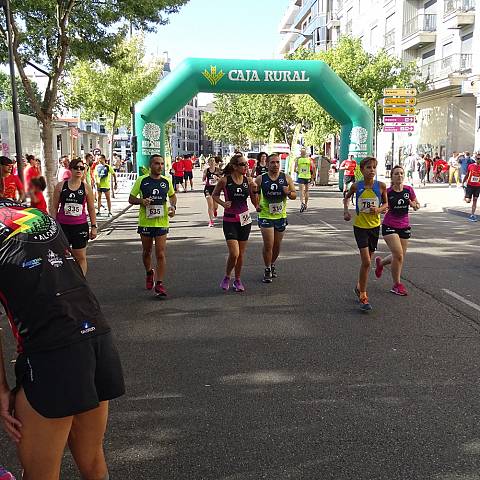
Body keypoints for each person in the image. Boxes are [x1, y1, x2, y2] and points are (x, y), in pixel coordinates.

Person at [0, 177, 125, 480]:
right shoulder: (36, 215)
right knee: (93, 460)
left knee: (40, 474)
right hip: (97, 335)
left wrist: (1, 390)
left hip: (52, 351)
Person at [343, 157, 388, 312]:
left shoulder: (381, 186)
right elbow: (347, 197)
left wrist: (379, 210)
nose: (372, 170)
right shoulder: (356, 186)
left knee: (366, 263)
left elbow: (386, 204)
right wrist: (346, 211)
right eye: (368, 167)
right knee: (367, 262)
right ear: (362, 170)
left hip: (375, 227)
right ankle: (363, 295)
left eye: (374, 167)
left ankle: (358, 286)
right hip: (360, 227)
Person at [128, 154, 177, 297]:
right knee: (146, 252)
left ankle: (160, 284)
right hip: (146, 222)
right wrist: (141, 201)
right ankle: (149, 272)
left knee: (160, 253)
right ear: (151, 166)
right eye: (157, 164)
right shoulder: (141, 181)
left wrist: (173, 207)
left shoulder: (166, 181)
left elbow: (172, 196)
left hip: (162, 222)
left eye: (162, 164)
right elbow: (131, 198)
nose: (160, 166)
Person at [212, 154, 256, 292]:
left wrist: (256, 192)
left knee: (241, 254)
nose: (245, 167)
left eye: (246, 164)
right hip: (230, 219)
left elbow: (255, 201)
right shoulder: (225, 181)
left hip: (244, 219)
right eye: (243, 164)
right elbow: (214, 195)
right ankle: (227, 276)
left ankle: (237, 279)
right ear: (234, 166)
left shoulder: (248, 180)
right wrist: (223, 204)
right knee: (234, 253)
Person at [374, 165, 420, 296]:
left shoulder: (408, 190)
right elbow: (381, 207)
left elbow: (417, 205)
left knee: (399, 256)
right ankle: (397, 285)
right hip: (390, 225)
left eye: (401, 173)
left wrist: (414, 205)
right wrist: (382, 210)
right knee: (398, 255)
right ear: (392, 177)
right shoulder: (387, 192)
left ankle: (381, 263)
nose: (399, 176)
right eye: (396, 174)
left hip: (404, 226)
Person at [255, 153, 296, 283]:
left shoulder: (286, 178)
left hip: (280, 216)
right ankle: (267, 268)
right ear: (267, 164)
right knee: (269, 244)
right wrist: (256, 204)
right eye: (272, 162)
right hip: (266, 215)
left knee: (277, 245)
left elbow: (294, 195)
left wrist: (288, 192)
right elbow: (253, 192)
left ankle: (272, 263)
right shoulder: (261, 178)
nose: (275, 165)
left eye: (277, 162)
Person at [52, 158, 97, 275]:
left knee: (80, 256)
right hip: (63, 226)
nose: (79, 170)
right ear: (70, 169)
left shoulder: (86, 188)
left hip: (80, 226)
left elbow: (91, 208)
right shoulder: (61, 186)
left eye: (81, 168)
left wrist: (94, 226)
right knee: (62, 256)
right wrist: (53, 225)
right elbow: (54, 207)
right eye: (76, 167)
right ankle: (67, 281)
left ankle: (81, 283)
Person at [295, 147, 315, 212]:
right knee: (306, 191)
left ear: (300, 153)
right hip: (307, 176)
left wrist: (298, 171)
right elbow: (314, 168)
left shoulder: (298, 159)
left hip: (301, 176)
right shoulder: (309, 159)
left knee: (301, 191)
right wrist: (313, 177)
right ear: (306, 153)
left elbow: (295, 169)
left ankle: (302, 203)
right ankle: (306, 204)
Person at [202, 156, 220, 227]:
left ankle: (215, 210)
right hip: (208, 189)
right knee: (210, 204)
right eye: (211, 161)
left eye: (213, 161)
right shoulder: (206, 170)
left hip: (216, 189)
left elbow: (222, 179)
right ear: (208, 163)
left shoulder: (218, 170)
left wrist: (217, 178)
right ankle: (211, 221)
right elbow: (203, 179)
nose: (212, 162)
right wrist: (204, 176)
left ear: (215, 163)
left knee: (215, 206)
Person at [462, 153, 480, 222]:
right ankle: (466, 195)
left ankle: (472, 215)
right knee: (468, 201)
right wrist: (463, 182)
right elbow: (467, 174)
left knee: (475, 200)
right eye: (478, 159)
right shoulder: (471, 166)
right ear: (475, 159)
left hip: (478, 186)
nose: (479, 160)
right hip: (470, 185)